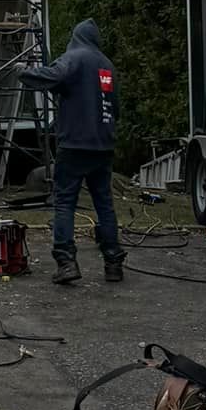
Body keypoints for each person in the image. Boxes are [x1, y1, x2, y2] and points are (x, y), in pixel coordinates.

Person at [20, 18, 124, 286]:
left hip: (75, 144)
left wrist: (24, 72)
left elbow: (54, 77)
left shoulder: (74, 58)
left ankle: (66, 262)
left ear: (76, 37)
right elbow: (115, 108)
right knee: (104, 204)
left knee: (65, 202)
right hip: (103, 144)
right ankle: (113, 263)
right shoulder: (107, 65)